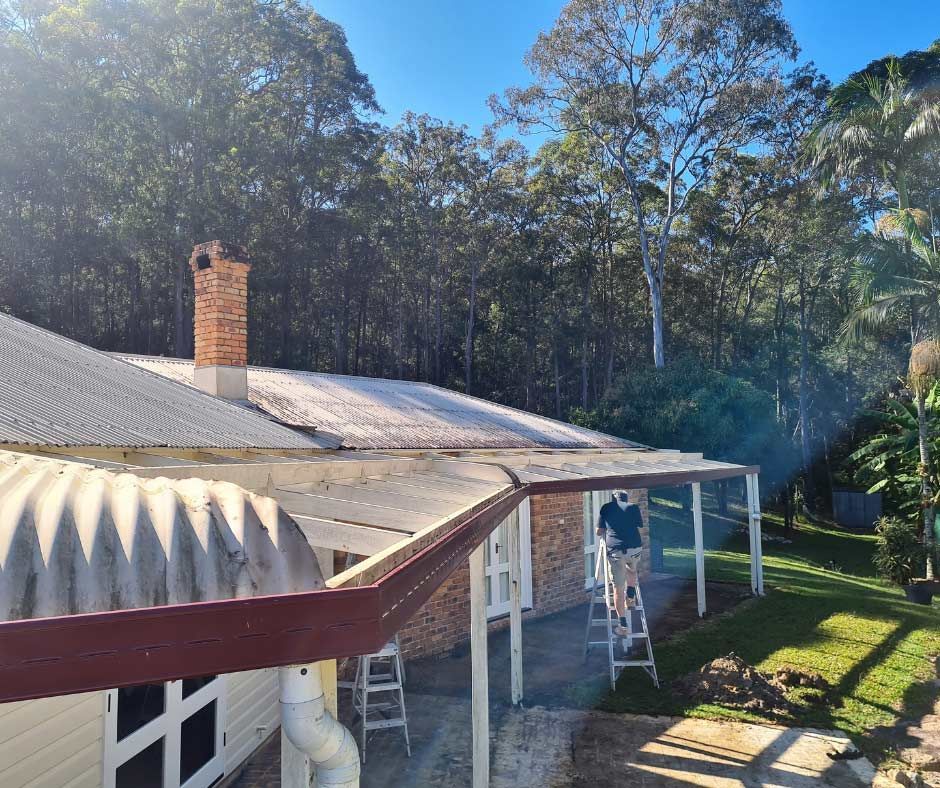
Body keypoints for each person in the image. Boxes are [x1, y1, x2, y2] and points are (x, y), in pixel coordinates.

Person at [596, 490, 644, 636]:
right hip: (635, 548)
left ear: (613, 498)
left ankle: (623, 626)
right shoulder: (633, 507)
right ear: (626, 498)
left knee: (618, 588)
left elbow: (599, 531)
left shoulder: (606, 508)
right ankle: (631, 596)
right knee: (632, 569)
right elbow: (639, 525)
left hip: (616, 551)